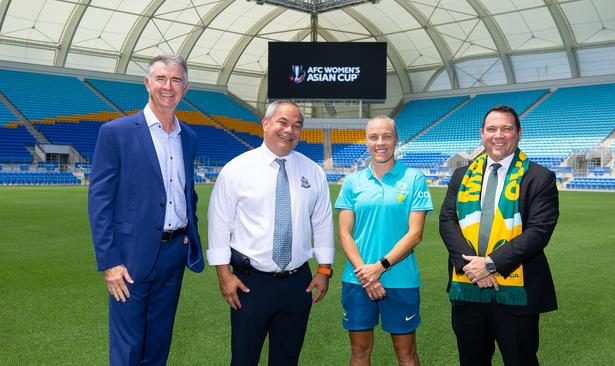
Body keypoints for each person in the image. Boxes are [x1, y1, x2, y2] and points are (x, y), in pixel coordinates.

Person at [88, 54, 204, 365]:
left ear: (186, 88)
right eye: (162, 78)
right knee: (128, 345)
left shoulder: (189, 137)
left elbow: (186, 192)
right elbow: (100, 200)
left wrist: (187, 234)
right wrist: (110, 261)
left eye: (176, 80)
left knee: (159, 340)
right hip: (129, 257)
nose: (169, 86)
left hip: (174, 254)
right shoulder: (117, 132)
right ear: (147, 83)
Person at [207, 100, 334, 366]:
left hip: (298, 282)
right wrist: (223, 274)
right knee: (243, 358)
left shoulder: (314, 172)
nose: (290, 130)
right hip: (251, 283)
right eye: (283, 122)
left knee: (287, 359)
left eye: (297, 126)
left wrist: (324, 270)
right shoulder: (236, 169)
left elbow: (322, 223)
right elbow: (219, 224)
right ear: (265, 124)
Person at [439, 105, 559, 366]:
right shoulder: (462, 175)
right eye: (492, 129)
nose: (498, 135)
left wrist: (490, 265)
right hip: (467, 288)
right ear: (482, 134)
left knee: (520, 360)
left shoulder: (540, 177)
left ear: (518, 134)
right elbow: (448, 221)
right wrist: (473, 267)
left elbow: (538, 232)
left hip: (516, 292)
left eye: (506, 129)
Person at [334, 116, 433, 366]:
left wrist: (379, 268)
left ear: (396, 139)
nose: (380, 143)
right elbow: (344, 233)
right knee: (359, 351)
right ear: (366, 141)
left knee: (406, 353)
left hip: (400, 279)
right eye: (374, 137)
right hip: (357, 279)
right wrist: (366, 275)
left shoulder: (414, 179)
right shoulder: (352, 182)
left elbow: (415, 234)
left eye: (386, 136)